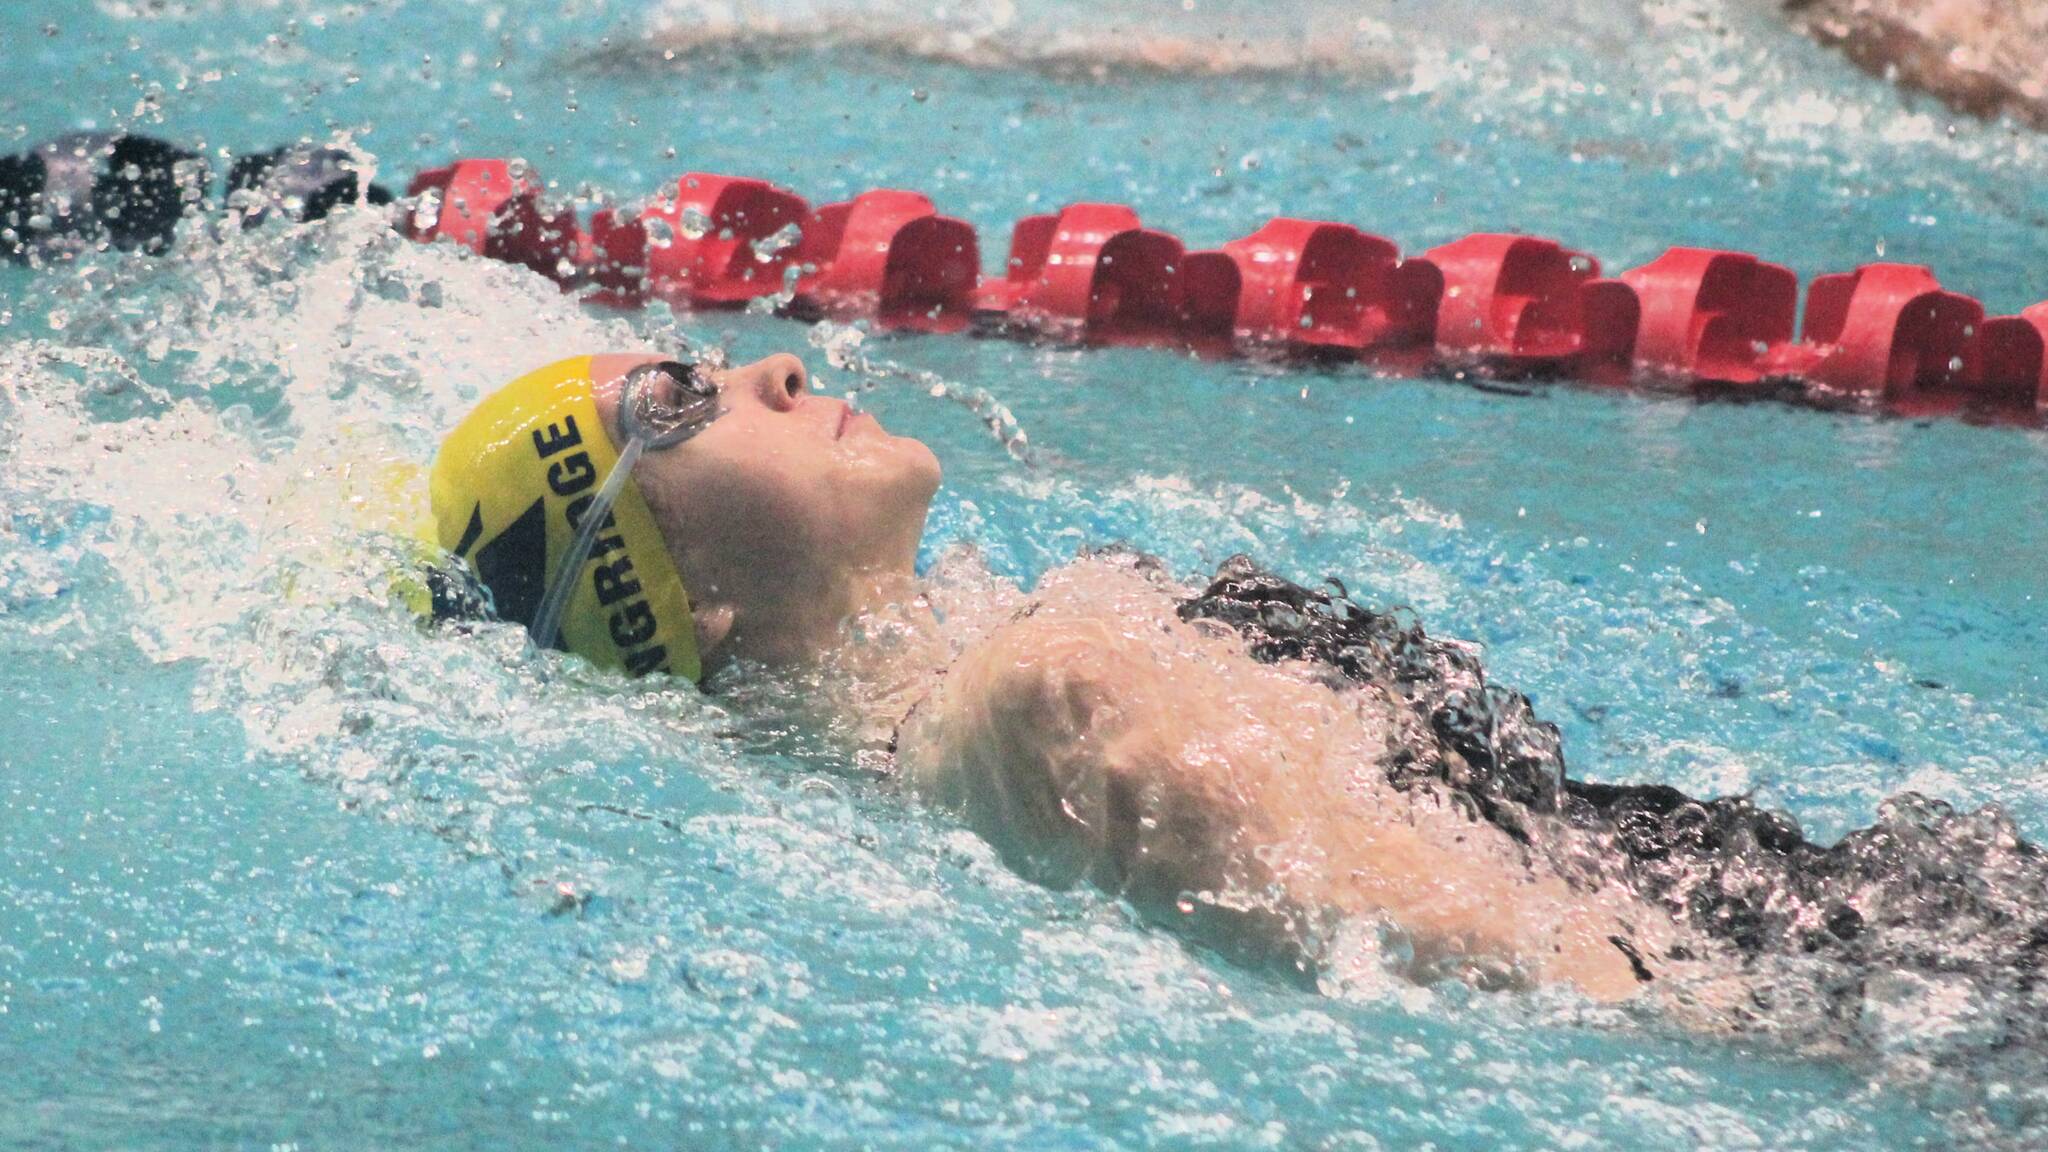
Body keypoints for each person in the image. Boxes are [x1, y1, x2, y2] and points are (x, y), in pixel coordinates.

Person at [426, 351, 2046, 1027]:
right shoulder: (1042, 693)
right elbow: (1537, 961)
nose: (771, 368)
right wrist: (1809, 1025)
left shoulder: (971, 724)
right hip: (1888, 976)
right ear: (682, 603)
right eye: (675, 398)